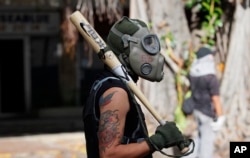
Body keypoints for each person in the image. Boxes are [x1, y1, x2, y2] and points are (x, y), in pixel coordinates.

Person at [82, 16, 189, 158]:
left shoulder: (105, 84)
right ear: (125, 53)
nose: (153, 54)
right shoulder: (116, 92)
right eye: (146, 46)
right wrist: (157, 141)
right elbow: (109, 154)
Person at [185, 46, 225, 158]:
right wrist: (221, 116)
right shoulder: (211, 77)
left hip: (196, 110)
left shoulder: (193, 74)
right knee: (206, 143)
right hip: (207, 113)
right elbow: (215, 99)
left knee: (198, 138)